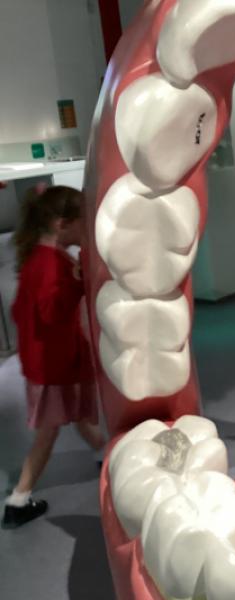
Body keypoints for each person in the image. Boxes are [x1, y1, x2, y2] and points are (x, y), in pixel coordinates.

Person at [2, 184, 106, 530]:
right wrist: (79, 283)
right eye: (82, 222)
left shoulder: (42, 257)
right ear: (62, 225)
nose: (86, 228)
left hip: (49, 361)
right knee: (48, 433)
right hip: (52, 366)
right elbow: (51, 311)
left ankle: (104, 453)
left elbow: (21, 312)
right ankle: (18, 500)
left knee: (76, 413)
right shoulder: (50, 264)